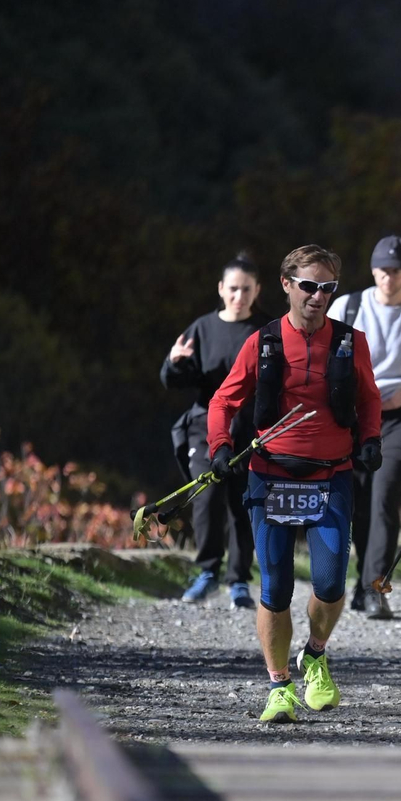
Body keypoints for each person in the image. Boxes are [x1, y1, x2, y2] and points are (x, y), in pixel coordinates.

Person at [207, 245, 383, 724]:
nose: (319, 296)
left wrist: (370, 440)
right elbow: (222, 402)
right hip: (272, 475)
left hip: (332, 475)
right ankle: (279, 686)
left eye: (327, 288)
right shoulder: (262, 342)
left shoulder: (351, 342)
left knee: (329, 583)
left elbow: (369, 401)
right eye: (309, 286)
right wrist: (221, 447)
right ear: (286, 285)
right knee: (276, 587)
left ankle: (317, 655)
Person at [327, 235, 401, 619]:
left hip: (398, 416)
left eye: (396, 271)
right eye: (382, 270)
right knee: (357, 501)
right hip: (354, 416)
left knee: (384, 498)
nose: (388, 278)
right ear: (373, 270)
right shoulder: (348, 307)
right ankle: (359, 586)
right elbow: (327, 357)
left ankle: (375, 587)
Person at [160, 254, 269, 609]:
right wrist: (174, 363)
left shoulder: (268, 330)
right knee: (206, 499)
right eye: (233, 289)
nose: (239, 296)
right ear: (221, 289)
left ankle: (238, 581)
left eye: (246, 289)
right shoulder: (202, 329)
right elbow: (175, 378)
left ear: (257, 291)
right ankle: (207, 572)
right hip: (205, 427)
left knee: (244, 504)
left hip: (250, 430)